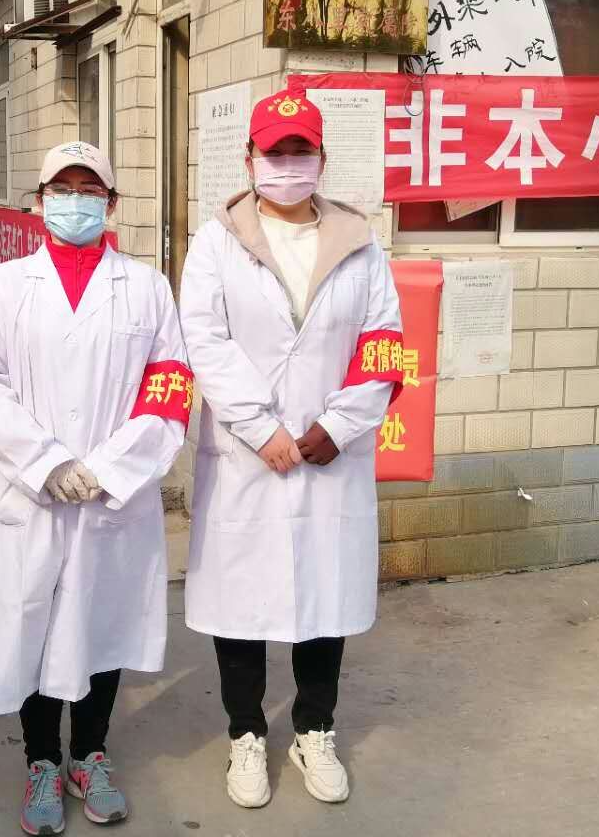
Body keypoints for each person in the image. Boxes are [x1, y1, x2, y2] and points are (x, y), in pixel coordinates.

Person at [0, 141, 191, 836]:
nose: (76, 202)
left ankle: (90, 755)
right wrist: (47, 462)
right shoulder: (5, 286)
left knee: (101, 622)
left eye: (90, 190)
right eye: (63, 189)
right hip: (31, 493)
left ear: (111, 204)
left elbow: (170, 386)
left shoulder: (146, 287)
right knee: (32, 623)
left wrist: (111, 467)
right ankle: (40, 761)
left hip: (112, 497)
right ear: (39, 201)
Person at [179, 90, 403, 810]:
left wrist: (339, 425)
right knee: (240, 604)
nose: (286, 164)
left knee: (323, 600)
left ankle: (314, 729)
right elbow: (203, 339)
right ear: (249, 158)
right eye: (274, 152)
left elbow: (383, 341)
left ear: (321, 158)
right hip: (248, 455)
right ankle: (246, 733)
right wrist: (260, 427)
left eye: (299, 151)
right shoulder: (217, 241)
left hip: (330, 454)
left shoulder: (359, 241)